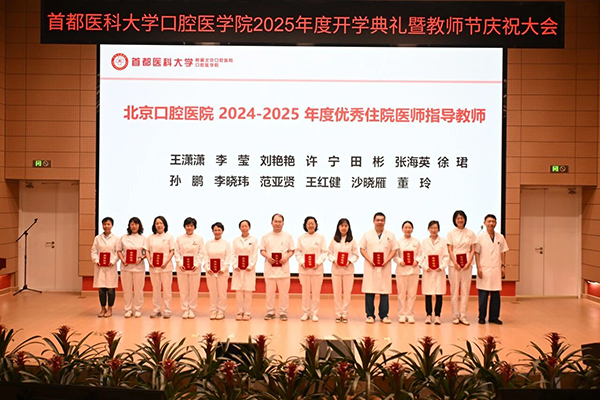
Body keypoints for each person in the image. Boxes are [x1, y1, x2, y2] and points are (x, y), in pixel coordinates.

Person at [359, 212, 398, 324]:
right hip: (370, 266)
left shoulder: (390, 235)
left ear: (385, 222)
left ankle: (384, 315)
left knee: (384, 291)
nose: (380, 222)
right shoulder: (367, 234)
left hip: (384, 266)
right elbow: (361, 248)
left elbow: (394, 249)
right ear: (373, 221)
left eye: (382, 220)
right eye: (378, 220)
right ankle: (370, 315)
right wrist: (369, 260)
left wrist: (387, 260)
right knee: (369, 290)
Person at [259, 213, 295, 321]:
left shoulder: (288, 236)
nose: (277, 224)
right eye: (275, 221)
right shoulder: (266, 236)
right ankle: (270, 312)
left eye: (280, 222)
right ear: (271, 223)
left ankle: (283, 312)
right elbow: (262, 250)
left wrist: (286, 257)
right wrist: (268, 257)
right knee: (270, 293)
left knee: (284, 293)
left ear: (283, 223)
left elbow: (292, 250)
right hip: (270, 268)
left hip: (283, 269)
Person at [475, 214, 509, 325]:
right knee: (483, 295)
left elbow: (503, 252)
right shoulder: (479, 237)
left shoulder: (500, 237)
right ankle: (481, 317)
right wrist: (478, 267)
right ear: (484, 223)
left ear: (496, 223)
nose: (491, 223)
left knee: (495, 295)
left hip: (496, 268)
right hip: (484, 268)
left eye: (493, 221)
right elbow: (476, 253)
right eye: (489, 221)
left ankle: (494, 317)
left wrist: (503, 266)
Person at [295, 216, 328, 322]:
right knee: (305, 293)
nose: (311, 225)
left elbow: (324, 252)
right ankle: (306, 312)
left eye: (312, 223)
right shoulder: (301, 238)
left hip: (317, 270)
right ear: (305, 225)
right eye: (308, 223)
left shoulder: (321, 237)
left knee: (316, 293)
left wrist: (317, 262)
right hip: (304, 269)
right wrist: (302, 262)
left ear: (316, 225)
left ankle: (314, 313)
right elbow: (298, 252)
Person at [447, 210, 477, 325]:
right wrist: (455, 262)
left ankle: (463, 315)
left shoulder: (471, 233)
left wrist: (468, 262)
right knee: (454, 290)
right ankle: (455, 315)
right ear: (455, 220)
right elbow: (450, 249)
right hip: (454, 265)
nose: (460, 220)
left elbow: (472, 249)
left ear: (465, 219)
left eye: (462, 218)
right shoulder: (451, 233)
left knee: (465, 290)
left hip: (467, 265)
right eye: (458, 218)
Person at [328, 218, 359, 323]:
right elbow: (329, 253)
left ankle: (345, 314)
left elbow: (356, 255)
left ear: (348, 227)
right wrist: (334, 260)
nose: (344, 228)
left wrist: (349, 261)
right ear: (338, 227)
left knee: (347, 294)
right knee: (337, 293)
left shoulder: (352, 240)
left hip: (348, 270)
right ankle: (338, 314)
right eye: (342, 226)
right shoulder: (334, 240)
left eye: (346, 226)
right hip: (336, 270)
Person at [144, 216, 175, 319]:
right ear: (154, 225)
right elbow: (147, 251)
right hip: (154, 267)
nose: (159, 225)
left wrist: (166, 262)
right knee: (155, 289)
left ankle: (167, 310)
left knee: (167, 289)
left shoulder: (169, 237)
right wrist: (149, 261)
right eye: (157, 223)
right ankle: (156, 310)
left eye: (161, 223)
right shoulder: (150, 237)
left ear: (164, 225)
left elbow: (172, 251)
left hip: (166, 267)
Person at [175, 217, 204, 319]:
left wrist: (196, 264)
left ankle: (192, 309)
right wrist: (180, 263)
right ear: (184, 226)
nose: (189, 227)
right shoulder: (179, 239)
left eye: (191, 226)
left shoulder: (199, 239)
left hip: (194, 269)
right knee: (183, 290)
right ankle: (185, 309)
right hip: (182, 268)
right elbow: (176, 252)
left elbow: (201, 253)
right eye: (187, 225)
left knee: (193, 290)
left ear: (194, 227)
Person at [393, 221, 422, 324]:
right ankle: (401, 314)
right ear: (402, 229)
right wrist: (400, 261)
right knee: (401, 294)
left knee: (412, 294)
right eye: (406, 227)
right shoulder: (398, 242)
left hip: (414, 271)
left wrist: (417, 261)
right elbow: (395, 256)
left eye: (410, 227)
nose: (408, 229)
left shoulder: (417, 242)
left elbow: (420, 254)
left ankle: (410, 315)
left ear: (412, 229)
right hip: (401, 271)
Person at [117, 217, 146, 318]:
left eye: (136, 224)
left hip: (139, 267)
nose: (134, 226)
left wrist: (141, 258)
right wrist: (123, 260)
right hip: (126, 267)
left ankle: (138, 309)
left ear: (139, 226)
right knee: (127, 290)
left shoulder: (143, 238)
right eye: (132, 224)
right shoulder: (124, 237)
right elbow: (119, 250)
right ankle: (128, 309)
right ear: (129, 225)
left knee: (139, 290)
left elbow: (146, 252)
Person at [421, 220, 449, 325]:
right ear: (428, 229)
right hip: (428, 271)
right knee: (428, 294)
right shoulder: (424, 242)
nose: (433, 230)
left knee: (439, 294)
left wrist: (442, 267)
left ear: (438, 229)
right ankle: (428, 315)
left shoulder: (443, 241)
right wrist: (425, 266)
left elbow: (446, 256)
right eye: (431, 228)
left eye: (435, 228)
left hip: (439, 271)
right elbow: (422, 256)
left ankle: (437, 315)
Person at [91, 217, 120, 318]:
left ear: (112, 225)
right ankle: (103, 308)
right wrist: (96, 260)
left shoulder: (116, 239)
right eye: (104, 224)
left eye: (108, 224)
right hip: (100, 267)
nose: (106, 226)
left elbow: (117, 252)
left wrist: (113, 261)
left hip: (110, 267)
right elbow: (94, 251)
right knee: (101, 289)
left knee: (111, 289)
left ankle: (110, 308)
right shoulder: (97, 238)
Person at [203, 222, 231, 320]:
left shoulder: (226, 243)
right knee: (213, 292)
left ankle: (221, 310)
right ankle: (214, 310)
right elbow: (205, 256)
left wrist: (223, 269)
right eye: (215, 230)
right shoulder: (208, 243)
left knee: (222, 292)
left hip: (222, 272)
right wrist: (207, 268)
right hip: (210, 272)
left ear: (222, 231)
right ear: (212, 231)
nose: (217, 232)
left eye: (219, 230)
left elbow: (228, 257)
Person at [231, 220, 258, 321]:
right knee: (238, 291)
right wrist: (235, 265)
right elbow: (233, 254)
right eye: (242, 226)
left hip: (248, 270)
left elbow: (255, 254)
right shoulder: (236, 240)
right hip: (238, 269)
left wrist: (251, 266)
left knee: (248, 291)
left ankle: (247, 312)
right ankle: (240, 311)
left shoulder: (254, 240)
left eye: (246, 226)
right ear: (240, 228)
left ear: (249, 227)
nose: (244, 228)